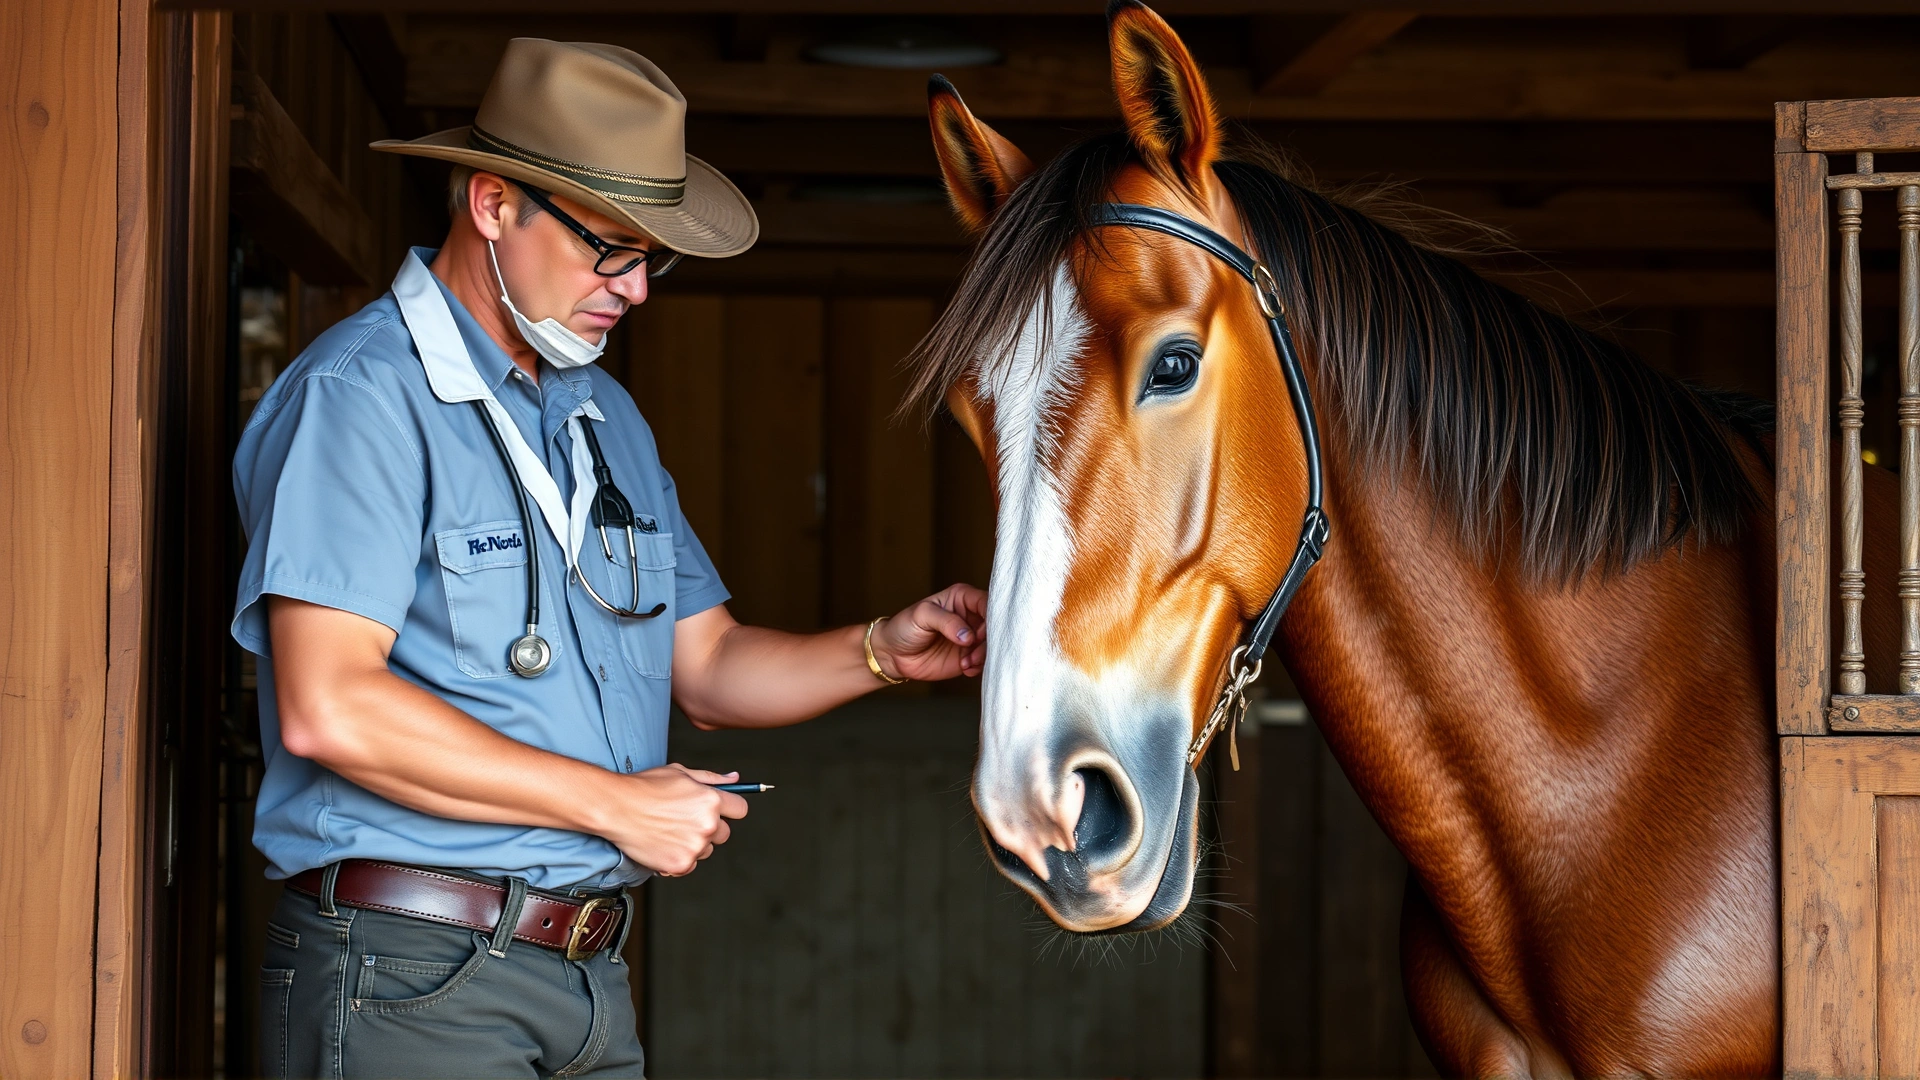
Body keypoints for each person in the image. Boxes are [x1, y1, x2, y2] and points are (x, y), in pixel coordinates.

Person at [230, 38, 986, 1079]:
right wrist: (614, 802)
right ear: (494, 207)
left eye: (652, 259)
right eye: (609, 250)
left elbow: (709, 665)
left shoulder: (604, 417)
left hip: (585, 978)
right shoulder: (362, 399)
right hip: (409, 975)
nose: (634, 292)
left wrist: (881, 652)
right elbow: (332, 706)